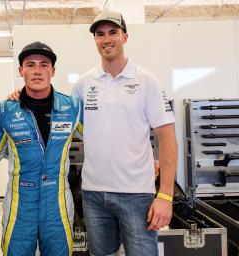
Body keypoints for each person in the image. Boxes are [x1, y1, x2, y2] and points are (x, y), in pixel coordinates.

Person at [71, 10, 178, 256]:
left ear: (125, 37)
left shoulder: (146, 81)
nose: (106, 39)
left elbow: (167, 137)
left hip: (137, 194)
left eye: (113, 32)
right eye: (100, 34)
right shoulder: (83, 84)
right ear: (95, 40)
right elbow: (60, 117)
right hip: (93, 194)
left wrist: (165, 196)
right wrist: (19, 96)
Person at [0, 41, 83, 256]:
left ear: (53, 71)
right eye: (30, 65)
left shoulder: (72, 107)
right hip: (20, 204)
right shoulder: (5, 110)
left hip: (57, 203)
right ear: (21, 71)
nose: (37, 71)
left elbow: (103, 140)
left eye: (44, 65)